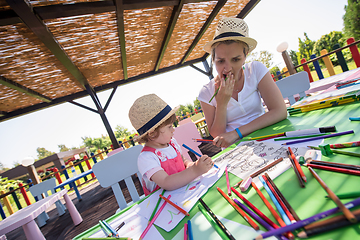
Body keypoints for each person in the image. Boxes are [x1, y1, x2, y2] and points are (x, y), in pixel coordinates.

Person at [198, 17, 287, 148]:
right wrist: (221, 103)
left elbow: (280, 111)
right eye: (220, 61)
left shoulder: (255, 70)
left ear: (245, 55)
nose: (227, 68)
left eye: (235, 59)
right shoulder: (206, 92)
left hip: (267, 135)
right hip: (237, 149)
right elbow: (217, 135)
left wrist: (237, 133)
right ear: (213, 59)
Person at [129, 94, 214, 195]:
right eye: (169, 126)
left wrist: (192, 165)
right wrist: (195, 170)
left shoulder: (172, 143)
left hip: (184, 192)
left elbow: (183, 160)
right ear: (152, 133)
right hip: (163, 203)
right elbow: (166, 182)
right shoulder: (146, 158)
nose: (173, 130)